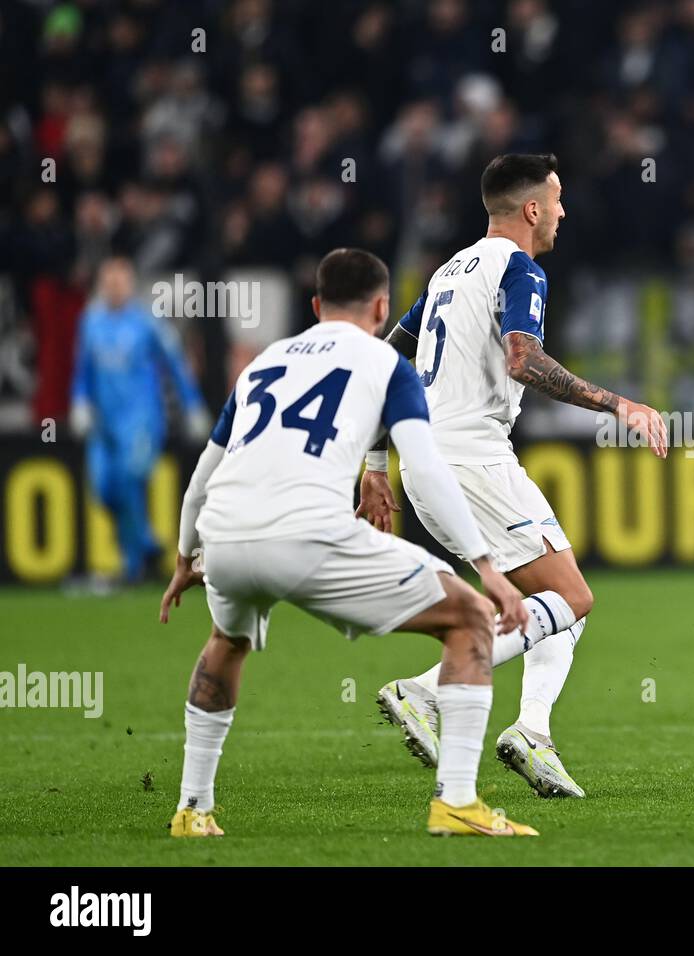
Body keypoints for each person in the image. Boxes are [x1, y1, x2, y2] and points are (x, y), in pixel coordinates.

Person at [160, 248, 537, 838]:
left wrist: (185, 558)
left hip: (226, 536)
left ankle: (192, 808)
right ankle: (458, 802)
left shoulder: (263, 362)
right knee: (470, 617)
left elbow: (203, 476)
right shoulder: (387, 364)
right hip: (308, 534)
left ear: (315, 306)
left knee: (224, 644)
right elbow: (427, 466)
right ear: (383, 307)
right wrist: (486, 566)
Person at [358, 153, 667, 799]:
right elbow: (524, 359)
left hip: (434, 460)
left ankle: (533, 731)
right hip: (471, 460)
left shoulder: (449, 270)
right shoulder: (518, 268)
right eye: (557, 200)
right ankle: (426, 691)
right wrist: (620, 404)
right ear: (532, 208)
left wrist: (377, 463)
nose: (562, 212)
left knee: (559, 599)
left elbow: (388, 358)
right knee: (575, 598)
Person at [70, 256, 208, 582]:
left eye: (120, 281)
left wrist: (193, 405)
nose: (115, 287)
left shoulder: (147, 323)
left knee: (129, 480)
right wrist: (79, 402)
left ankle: (133, 566)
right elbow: (82, 370)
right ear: (102, 284)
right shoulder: (90, 321)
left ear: (130, 285)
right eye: (109, 281)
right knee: (103, 488)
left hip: (141, 421)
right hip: (103, 424)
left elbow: (174, 364)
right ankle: (145, 541)